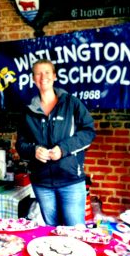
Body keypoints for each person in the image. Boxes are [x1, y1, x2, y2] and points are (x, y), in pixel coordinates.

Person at [15, 59, 96, 226]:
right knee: (51, 231)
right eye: (38, 73)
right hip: (42, 182)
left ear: (54, 76)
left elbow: (88, 132)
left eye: (46, 72)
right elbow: (21, 145)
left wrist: (64, 148)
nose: (42, 77)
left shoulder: (71, 103)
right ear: (33, 78)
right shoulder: (28, 110)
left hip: (71, 179)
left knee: (75, 230)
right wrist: (34, 150)